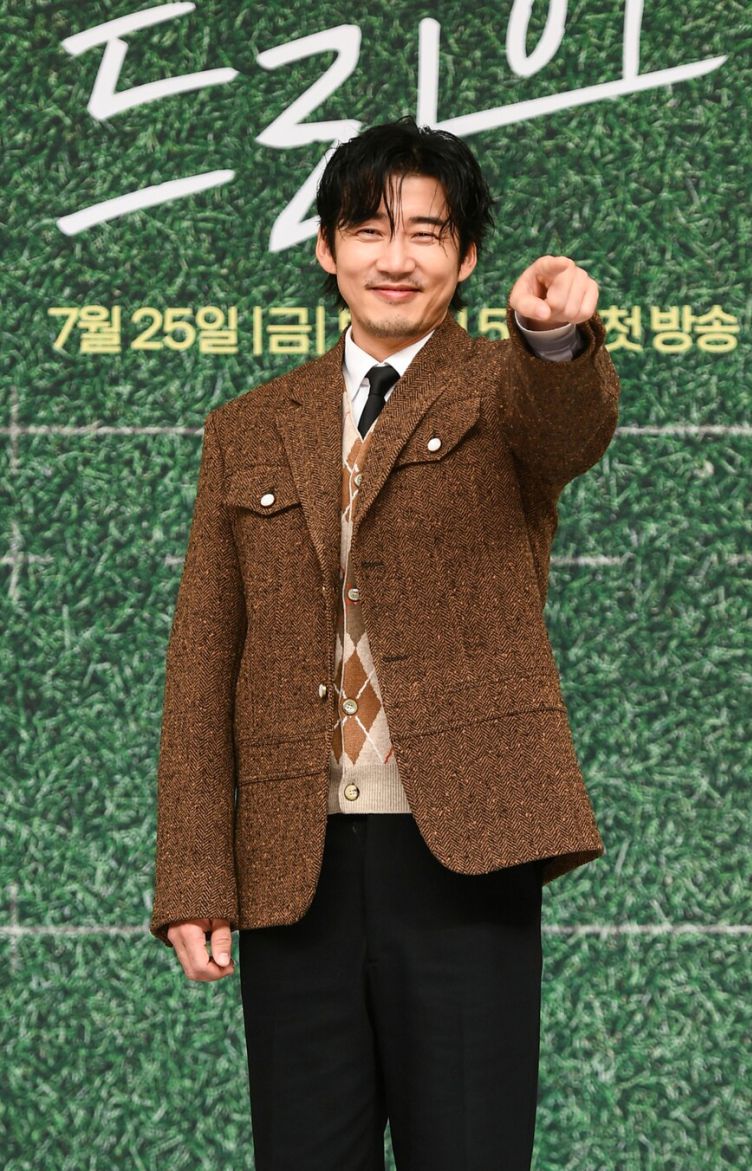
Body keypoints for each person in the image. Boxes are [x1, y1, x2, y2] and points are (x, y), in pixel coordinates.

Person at [149, 115, 621, 1170]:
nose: (394, 258)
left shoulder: (502, 389)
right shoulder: (249, 427)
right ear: (327, 249)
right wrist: (193, 874)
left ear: (466, 257)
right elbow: (202, 660)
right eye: (368, 230)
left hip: (465, 852)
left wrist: (552, 340)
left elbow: (565, 427)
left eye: (426, 233)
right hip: (294, 863)